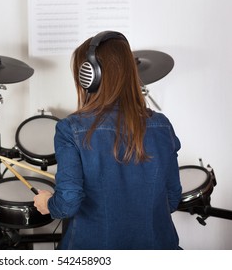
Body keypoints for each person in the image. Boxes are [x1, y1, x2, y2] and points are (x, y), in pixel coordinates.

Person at [33, 31, 182, 250]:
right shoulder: (162, 125)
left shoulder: (70, 129)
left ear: (89, 77)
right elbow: (172, 198)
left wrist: (47, 202)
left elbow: (68, 203)